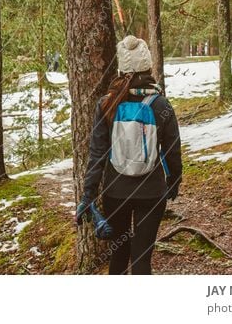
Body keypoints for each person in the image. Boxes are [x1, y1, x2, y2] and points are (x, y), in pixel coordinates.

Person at [75, 35, 182, 275]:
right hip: (152, 193)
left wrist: (88, 195)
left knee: (119, 256)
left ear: (122, 69)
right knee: (142, 260)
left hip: (116, 192)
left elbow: (97, 153)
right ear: (148, 66)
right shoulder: (161, 105)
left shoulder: (107, 104)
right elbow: (172, 149)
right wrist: (174, 181)